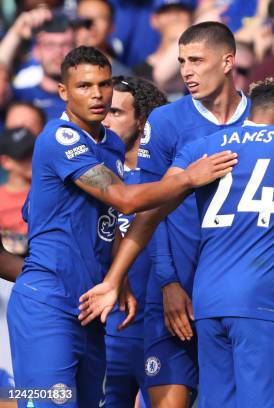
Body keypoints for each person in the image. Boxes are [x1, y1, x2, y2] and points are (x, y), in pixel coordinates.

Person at [80, 77, 274, 408]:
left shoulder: (203, 147)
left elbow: (151, 214)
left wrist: (114, 278)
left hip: (208, 301)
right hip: (263, 299)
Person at [6, 45, 236, 408]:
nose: (97, 95)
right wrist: (188, 178)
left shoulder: (109, 143)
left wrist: (120, 277)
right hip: (48, 307)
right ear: (63, 92)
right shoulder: (59, 139)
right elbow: (123, 200)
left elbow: (105, 222)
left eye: (104, 84)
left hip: (89, 308)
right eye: (84, 86)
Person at [133, 22, 249, 407]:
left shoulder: (264, 120)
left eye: (196, 60)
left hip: (238, 293)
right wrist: (167, 282)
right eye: (182, 61)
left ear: (228, 60)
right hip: (175, 289)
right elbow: (150, 205)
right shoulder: (166, 122)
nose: (186, 70)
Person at [101, 75, 168, 408]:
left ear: (142, 121)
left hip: (161, 329)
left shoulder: (167, 180)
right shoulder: (93, 175)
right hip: (110, 330)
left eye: (115, 112)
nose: (105, 119)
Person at [12, 13, 75, 121]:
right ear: (36, 51)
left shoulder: (86, 99)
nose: (58, 52)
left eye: (65, 44)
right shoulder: (19, 97)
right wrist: (15, 33)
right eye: (50, 45)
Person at [0, 128, 35, 256]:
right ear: (6, 162)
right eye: (24, 155)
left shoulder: (54, 188)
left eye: (33, 151)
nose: (32, 159)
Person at [75, 0, 132, 77]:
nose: (92, 25)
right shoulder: (57, 68)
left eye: (100, 18)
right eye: (85, 19)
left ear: (112, 26)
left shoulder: (122, 77)